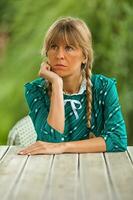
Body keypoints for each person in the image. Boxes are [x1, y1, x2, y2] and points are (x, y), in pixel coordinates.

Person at [18, 16, 127, 155]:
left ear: (84, 56)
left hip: (97, 167)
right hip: (48, 169)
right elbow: (51, 141)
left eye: (69, 48)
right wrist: (57, 84)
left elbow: (118, 139)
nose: (59, 55)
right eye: (54, 47)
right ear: (47, 52)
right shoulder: (36, 90)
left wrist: (65, 147)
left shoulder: (104, 87)